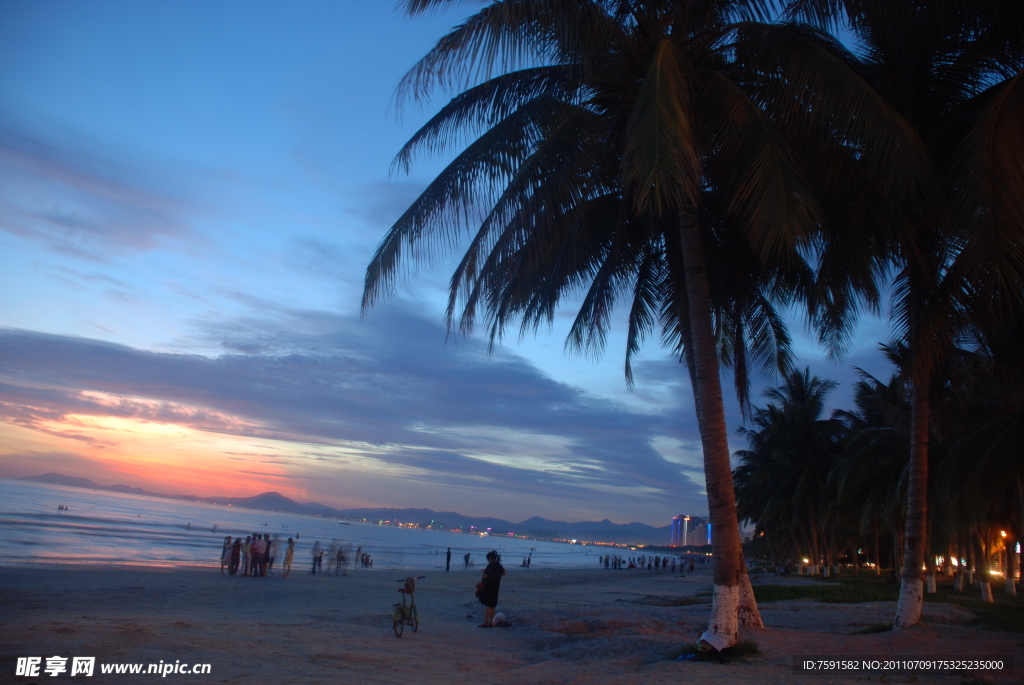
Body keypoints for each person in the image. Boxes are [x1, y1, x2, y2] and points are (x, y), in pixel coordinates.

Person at [477, 550, 506, 627]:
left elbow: (485, 576)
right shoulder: (499, 565)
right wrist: (497, 576)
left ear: (490, 558)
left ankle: (486, 622)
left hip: (488, 586)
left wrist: (485, 574)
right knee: (493, 605)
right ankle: (491, 622)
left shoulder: (490, 565)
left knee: (488, 605)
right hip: (496, 586)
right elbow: (504, 573)